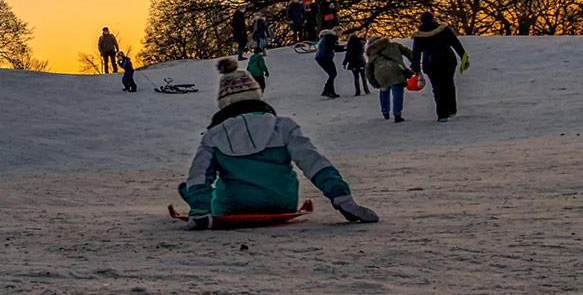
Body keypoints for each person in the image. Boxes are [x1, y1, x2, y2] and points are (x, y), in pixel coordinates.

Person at [178, 58, 379, 229]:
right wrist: (341, 197)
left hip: (233, 205)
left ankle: (196, 201)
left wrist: (199, 211)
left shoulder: (213, 136)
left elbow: (200, 175)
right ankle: (199, 198)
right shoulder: (283, 127)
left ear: (224, 103)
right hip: (282, 202)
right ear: (256, 96)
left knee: (193, 188)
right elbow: (314, 162)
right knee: (199, 189)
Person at [412, 11, 469, 121]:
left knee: (437, 88)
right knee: (449, 84)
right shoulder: (444, 29)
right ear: (433, 19)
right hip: (448, 59)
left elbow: (416, 53)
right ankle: (452, 109)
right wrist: (463, 57)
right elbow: (455, 43)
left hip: (430, 63)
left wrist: (416, 68)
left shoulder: (419, 35)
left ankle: (442, 114)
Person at [364, 36, 416, 122]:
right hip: (396, 70)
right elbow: (409, 53)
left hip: (381, 73)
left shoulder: (372, 52)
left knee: (384, 91)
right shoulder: (395, 45)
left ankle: (385, 112)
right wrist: (414, 62)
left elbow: (368, 69)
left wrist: (373, 81)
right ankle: (397, 114)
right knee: (397, 94)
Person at [314, 29, 340, 98]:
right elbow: (333, 47)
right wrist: (345, 48)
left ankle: (329, 91)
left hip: (321, 57)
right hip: (325, 58)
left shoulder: (324, 39)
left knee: (332, 74)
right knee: (332, 74)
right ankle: (327, 91)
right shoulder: (329, 38)